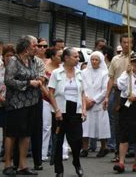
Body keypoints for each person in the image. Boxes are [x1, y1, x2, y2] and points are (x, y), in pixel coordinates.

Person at [3, 36, 42, 176]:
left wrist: (38, 80)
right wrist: (28, 84)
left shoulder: (31, 61)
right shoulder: (14, 60)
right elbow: (8, 80)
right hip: (16, 104)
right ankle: (8, 164)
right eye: (35, 45)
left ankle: (22, 165)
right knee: (12, 134)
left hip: (31, 103)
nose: (37, 48)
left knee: (26, 134)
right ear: (26, 47)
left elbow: (34, 75)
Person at [47, 47, 86, 177]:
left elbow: (82, 93)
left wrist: (84, 110)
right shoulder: (56, 73)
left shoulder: (80, 73)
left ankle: (76, 162)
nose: (78, 59)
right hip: (60, 111)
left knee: (77, 140)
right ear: (66, 58)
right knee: (58, 141)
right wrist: (56, 110)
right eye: (75, 56)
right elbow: (50, 93)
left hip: (75, 110)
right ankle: (59, 170)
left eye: (78, 57)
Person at [105, 34, 132, 163]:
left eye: (129, 42)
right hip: (117, 94)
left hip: (131, 94)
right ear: (121, 43)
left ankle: (131, 150)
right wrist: (106, 96)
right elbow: (110, 78)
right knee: (117, 123)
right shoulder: (115, 59)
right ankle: (117, 151)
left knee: (131, 122)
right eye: (124, 42)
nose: (127, 44)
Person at [81, 51, 111, 158]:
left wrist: (93, 100)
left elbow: (104, 90)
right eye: (92, 59)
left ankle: (104, 147)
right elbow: (82, 87)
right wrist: (86, 100)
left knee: (101, 126)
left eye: (96, 60)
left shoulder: (105, 73)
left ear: (100, 61)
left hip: (99, 103)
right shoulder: (84, 72)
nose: (94, 61)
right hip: (86, 102)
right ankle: (85, 148)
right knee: (85, 125)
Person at [0, 44, 15, 158]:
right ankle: (3, 149)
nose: (9, 58)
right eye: (7, 55)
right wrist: (0, 98)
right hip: (0, 101)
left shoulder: (17, 68)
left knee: (9, 129)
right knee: (0, 125)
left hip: (13, 102)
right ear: (3, 56)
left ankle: (8, 152)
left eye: (12, 55)